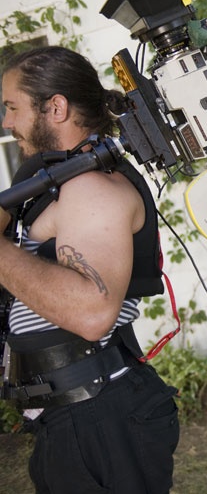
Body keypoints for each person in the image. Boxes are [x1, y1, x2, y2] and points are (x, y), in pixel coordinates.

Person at [0, 46, 179, 493]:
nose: (6, 122)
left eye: (12, 107)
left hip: (98, 418)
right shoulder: (52, 183)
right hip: (75, 416)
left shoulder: (92, 187)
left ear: (56, 107)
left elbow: (92, 313)